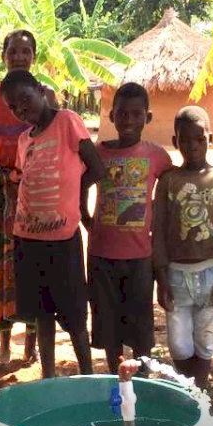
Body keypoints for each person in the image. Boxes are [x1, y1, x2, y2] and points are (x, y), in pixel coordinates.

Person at [1, 69, 106, 378]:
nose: (21, 109)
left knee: (74, 315)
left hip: (62, 240)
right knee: (42, 314)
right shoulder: (24, 139)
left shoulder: (67, 121)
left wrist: (77, 199)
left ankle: (87, 375)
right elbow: (24, 179)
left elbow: (96, 168)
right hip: (27, 239)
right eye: (13, 107)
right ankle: (48, 377)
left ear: (39, 89)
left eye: (25, 99)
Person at [0, 30, 57, 364]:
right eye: (13, 51)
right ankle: (4, 345)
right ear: (3, 55)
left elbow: (55, 147)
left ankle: (30, 347)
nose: (19, 57)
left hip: (34, 191)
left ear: (34, 56)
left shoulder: (46, 95)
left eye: (26, 51)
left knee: (31, 262)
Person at [85, 83, 172, 374]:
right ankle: (116, 375)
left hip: (140, 257)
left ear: (148, 117)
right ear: (112, 116)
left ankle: (143, 377)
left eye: (137, 114)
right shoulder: (98, 153)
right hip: (102, 255)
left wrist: (157, 219)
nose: (129, 120)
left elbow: (170, 191)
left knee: (140, 323)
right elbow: (80, 184)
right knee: (108, 323)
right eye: (122, 114)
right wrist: (85, 217)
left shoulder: (158, 156)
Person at [151, 107, 213, 389]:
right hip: (176, 275)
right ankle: (188, 388)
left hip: (212, 273)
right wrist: (161, 278)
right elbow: (158, 231)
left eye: (199, 139)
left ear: (210, 138)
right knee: (178, 343)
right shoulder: (168, 181)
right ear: (175, 142)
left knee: (205, 339)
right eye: (185, 140)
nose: (193, 146)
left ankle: (199, 393)